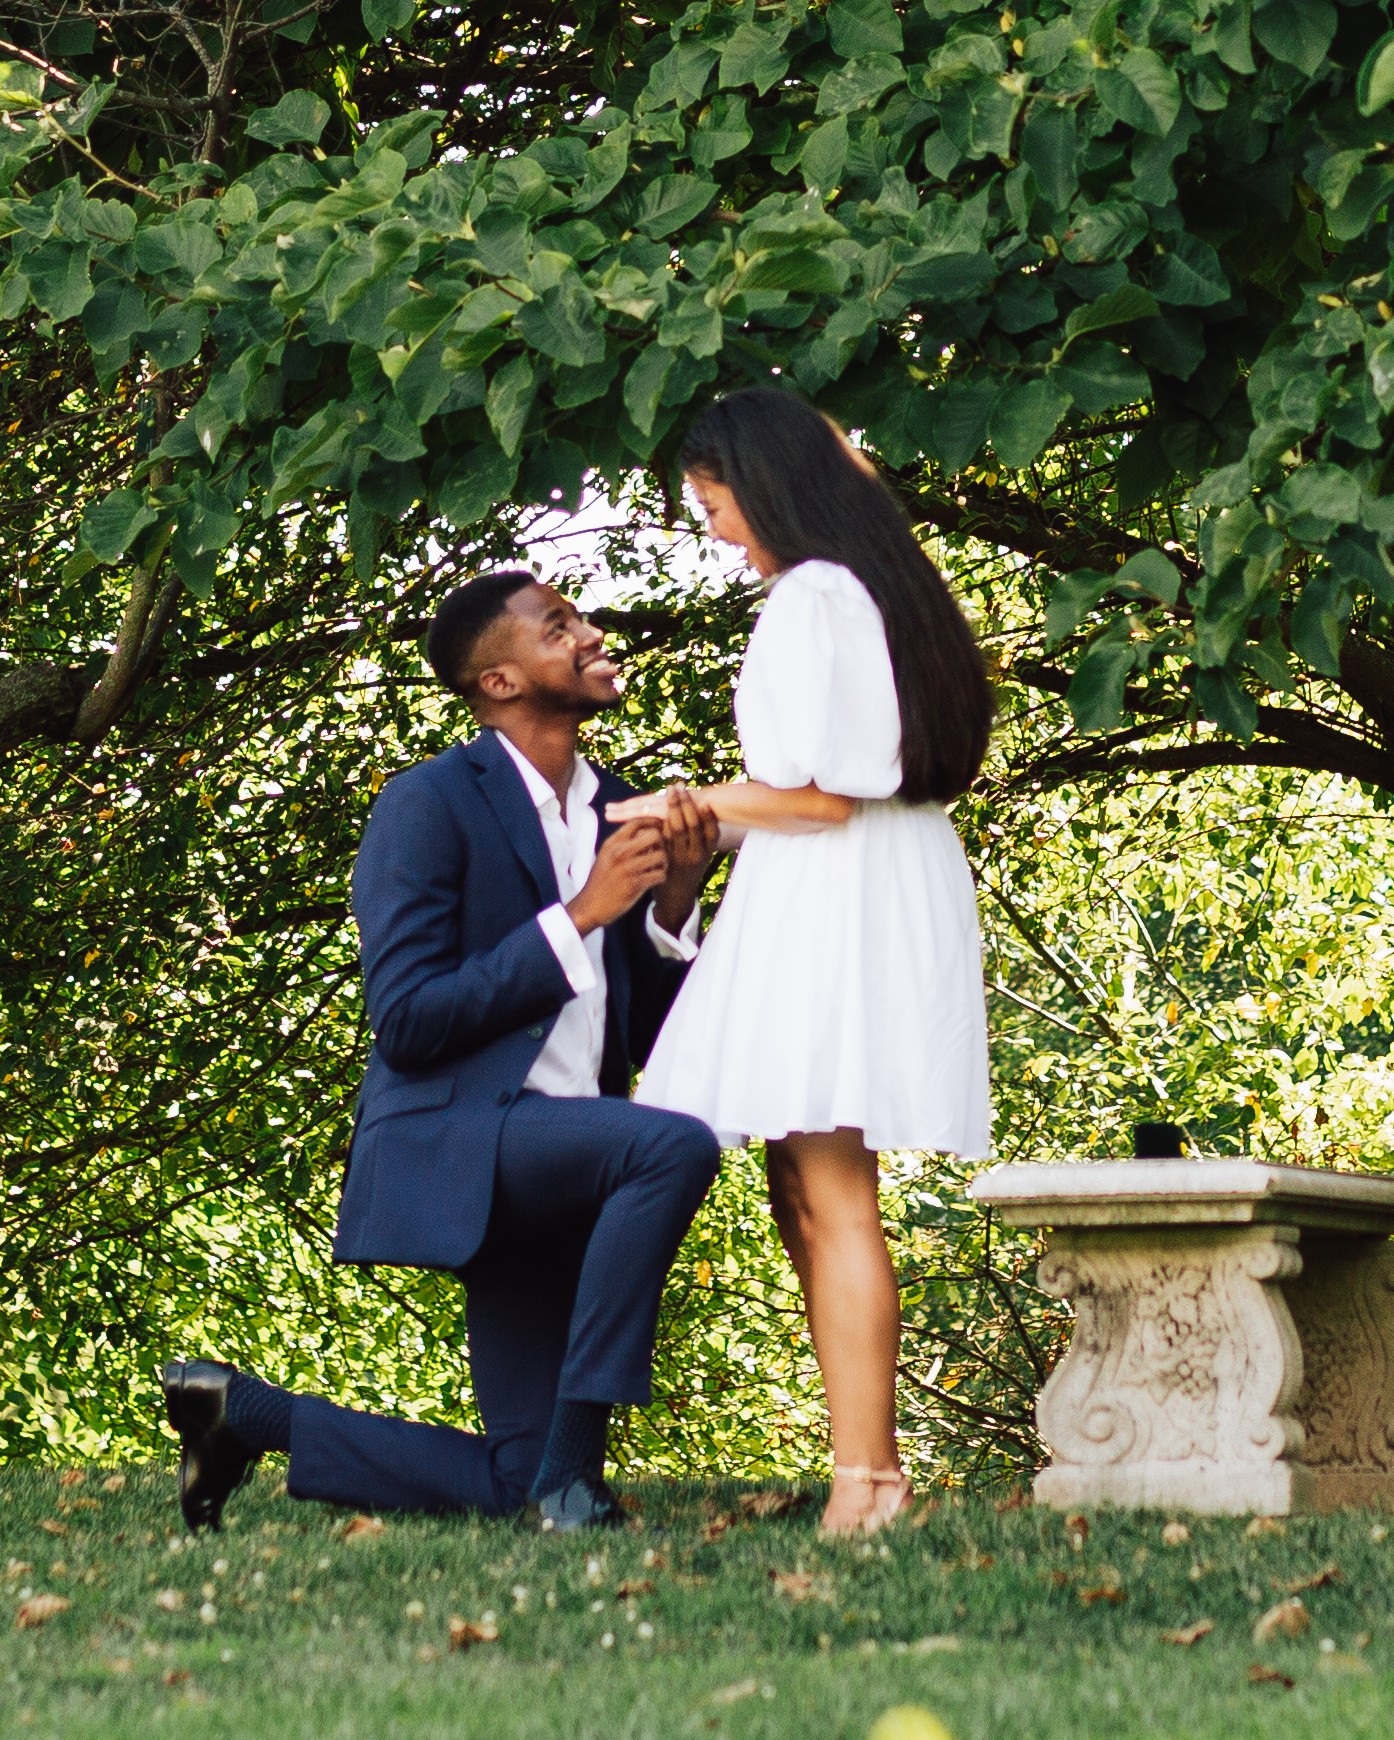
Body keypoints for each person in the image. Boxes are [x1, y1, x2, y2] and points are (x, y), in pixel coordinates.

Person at [161, 568, 723, 1534]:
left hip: (570, 1153)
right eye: (558, 626)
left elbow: (642, 1044)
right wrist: (583, 911)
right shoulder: (427, 804)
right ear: (499, 682)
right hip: (467, 1142)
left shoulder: (623, 812)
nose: (589, 633)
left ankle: (243, 1413)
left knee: (512, 1474)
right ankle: (574, 1479)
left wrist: (673, 907)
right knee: (672, 1145)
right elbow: (410, 1019)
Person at [610, 388, 998, 1539]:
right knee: (805, 1185)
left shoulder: (817, 596)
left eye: (717, 505)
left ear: (768, 489)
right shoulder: (866, 587)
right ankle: (862, 1463)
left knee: (831, 1193)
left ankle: (866, 1480)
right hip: (849, 882)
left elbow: (825, 792)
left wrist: (667, 807)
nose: (717, 532)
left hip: (841, 894)